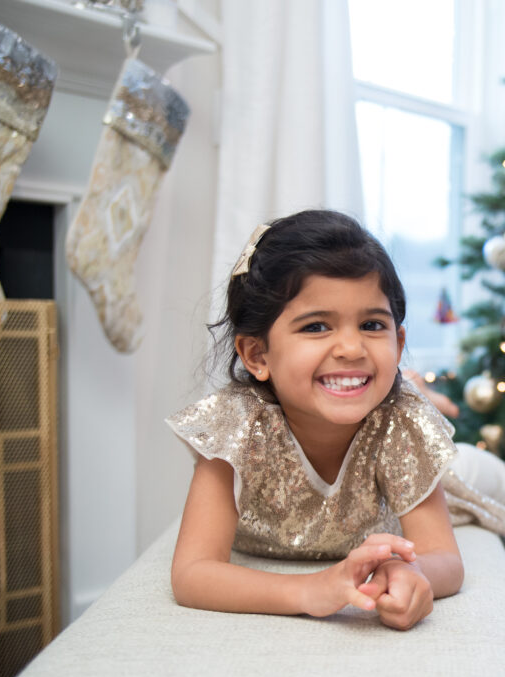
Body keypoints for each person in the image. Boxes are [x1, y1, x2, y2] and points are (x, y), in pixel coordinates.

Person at [168, 210, 465, 631]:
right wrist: (309, 590)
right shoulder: (235, 427)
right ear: (257, 355)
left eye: (371, 325)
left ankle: (422, 389)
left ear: (398, 344)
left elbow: (446, 558)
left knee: (475, 475)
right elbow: (192, 574)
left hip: (410, 427)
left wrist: (412, 574)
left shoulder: (400, 424)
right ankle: (418, 384)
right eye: (317, 326)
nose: (350, 347)